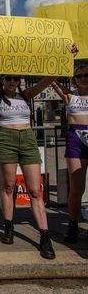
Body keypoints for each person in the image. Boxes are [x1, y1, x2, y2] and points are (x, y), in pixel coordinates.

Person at [0, 35, 56, 259]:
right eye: (9, 78)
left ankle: (44, 235)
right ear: (3, 81)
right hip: (6, 137)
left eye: (16, 78)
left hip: (27, 138)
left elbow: (50, 77)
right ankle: (8, 225)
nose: (12, 81)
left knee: (35, 190)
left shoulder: (27, 94)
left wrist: (67, 56)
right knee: (8, 186)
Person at [51, 65, 88, 243]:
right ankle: (72, 224)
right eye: (79, 75)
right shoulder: (69, 95)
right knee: (77, 187)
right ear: (74, 79)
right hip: (76, 137)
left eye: (86, 75)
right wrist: (66, 59)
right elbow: (51, 80)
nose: (83, 78)